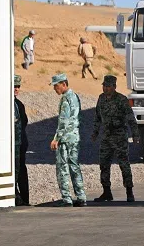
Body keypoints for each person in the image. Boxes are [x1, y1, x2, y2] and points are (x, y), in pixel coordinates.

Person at [92, 75, 140, 203]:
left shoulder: (121, 100)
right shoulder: (101, 99)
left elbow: (131, 118)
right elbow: (97, 117)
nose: (105, 88)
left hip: (119, 136)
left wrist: (135, 134)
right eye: (104, 86)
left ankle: (129, 192)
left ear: (114, 87)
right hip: (106, 136)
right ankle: (107, 192)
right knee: (104, 164)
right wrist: (95, 132)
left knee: (124, 164)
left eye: (108, 86)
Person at [50, 73, 86, 207]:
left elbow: (63, 121)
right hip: (74, 137)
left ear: (64, 84)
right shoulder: (75, 96)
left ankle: (67, 199)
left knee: (62, 168)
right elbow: (78, 118)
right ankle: (81, 196)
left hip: (65, 139)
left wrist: (56, 139)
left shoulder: (65, 99)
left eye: (56, 85)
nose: (55, 89)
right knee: (74, 166)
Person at [14, 74, 30, 206]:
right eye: (14, 86)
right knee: (15, 171)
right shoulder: (6, 104)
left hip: (20, 144)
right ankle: (16, 198)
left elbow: (24, 122)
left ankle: (24, 199)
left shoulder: (19, 104)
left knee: (21, 171)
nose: (16, 89)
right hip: (12, 145)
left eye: (18, 86)